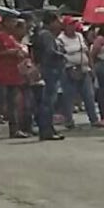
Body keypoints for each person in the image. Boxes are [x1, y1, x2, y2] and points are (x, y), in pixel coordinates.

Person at [0, 15, 29, 139]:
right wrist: (9, 53)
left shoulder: (12, 38)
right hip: (1, 73)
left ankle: (14, 130)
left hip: (13, 73)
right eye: (12, 21)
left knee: (13, 103)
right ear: (6, 23)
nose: (14, 24)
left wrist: (19, 53)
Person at [59, 15, 100, 129]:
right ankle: (68, 120)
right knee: (69, 96)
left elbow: (87, 52)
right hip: (69, 70)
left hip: (83, 68)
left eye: (74, 24)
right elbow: (60, 55)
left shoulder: (79, 36)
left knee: (89, 95)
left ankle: (94, 119)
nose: (72, 27)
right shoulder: (61, 39)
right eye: (70, 25)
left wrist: (92, 68)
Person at [34, 13, 66, 141]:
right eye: (57, 21)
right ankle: (46, 129)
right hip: (50, 70)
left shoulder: (43, 34)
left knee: (48, 101)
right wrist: (62, 54)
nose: (59, 24)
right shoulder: (46, 35)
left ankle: (48, 128)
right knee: (48, 102)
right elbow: (50, 51)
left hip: (48, 69)